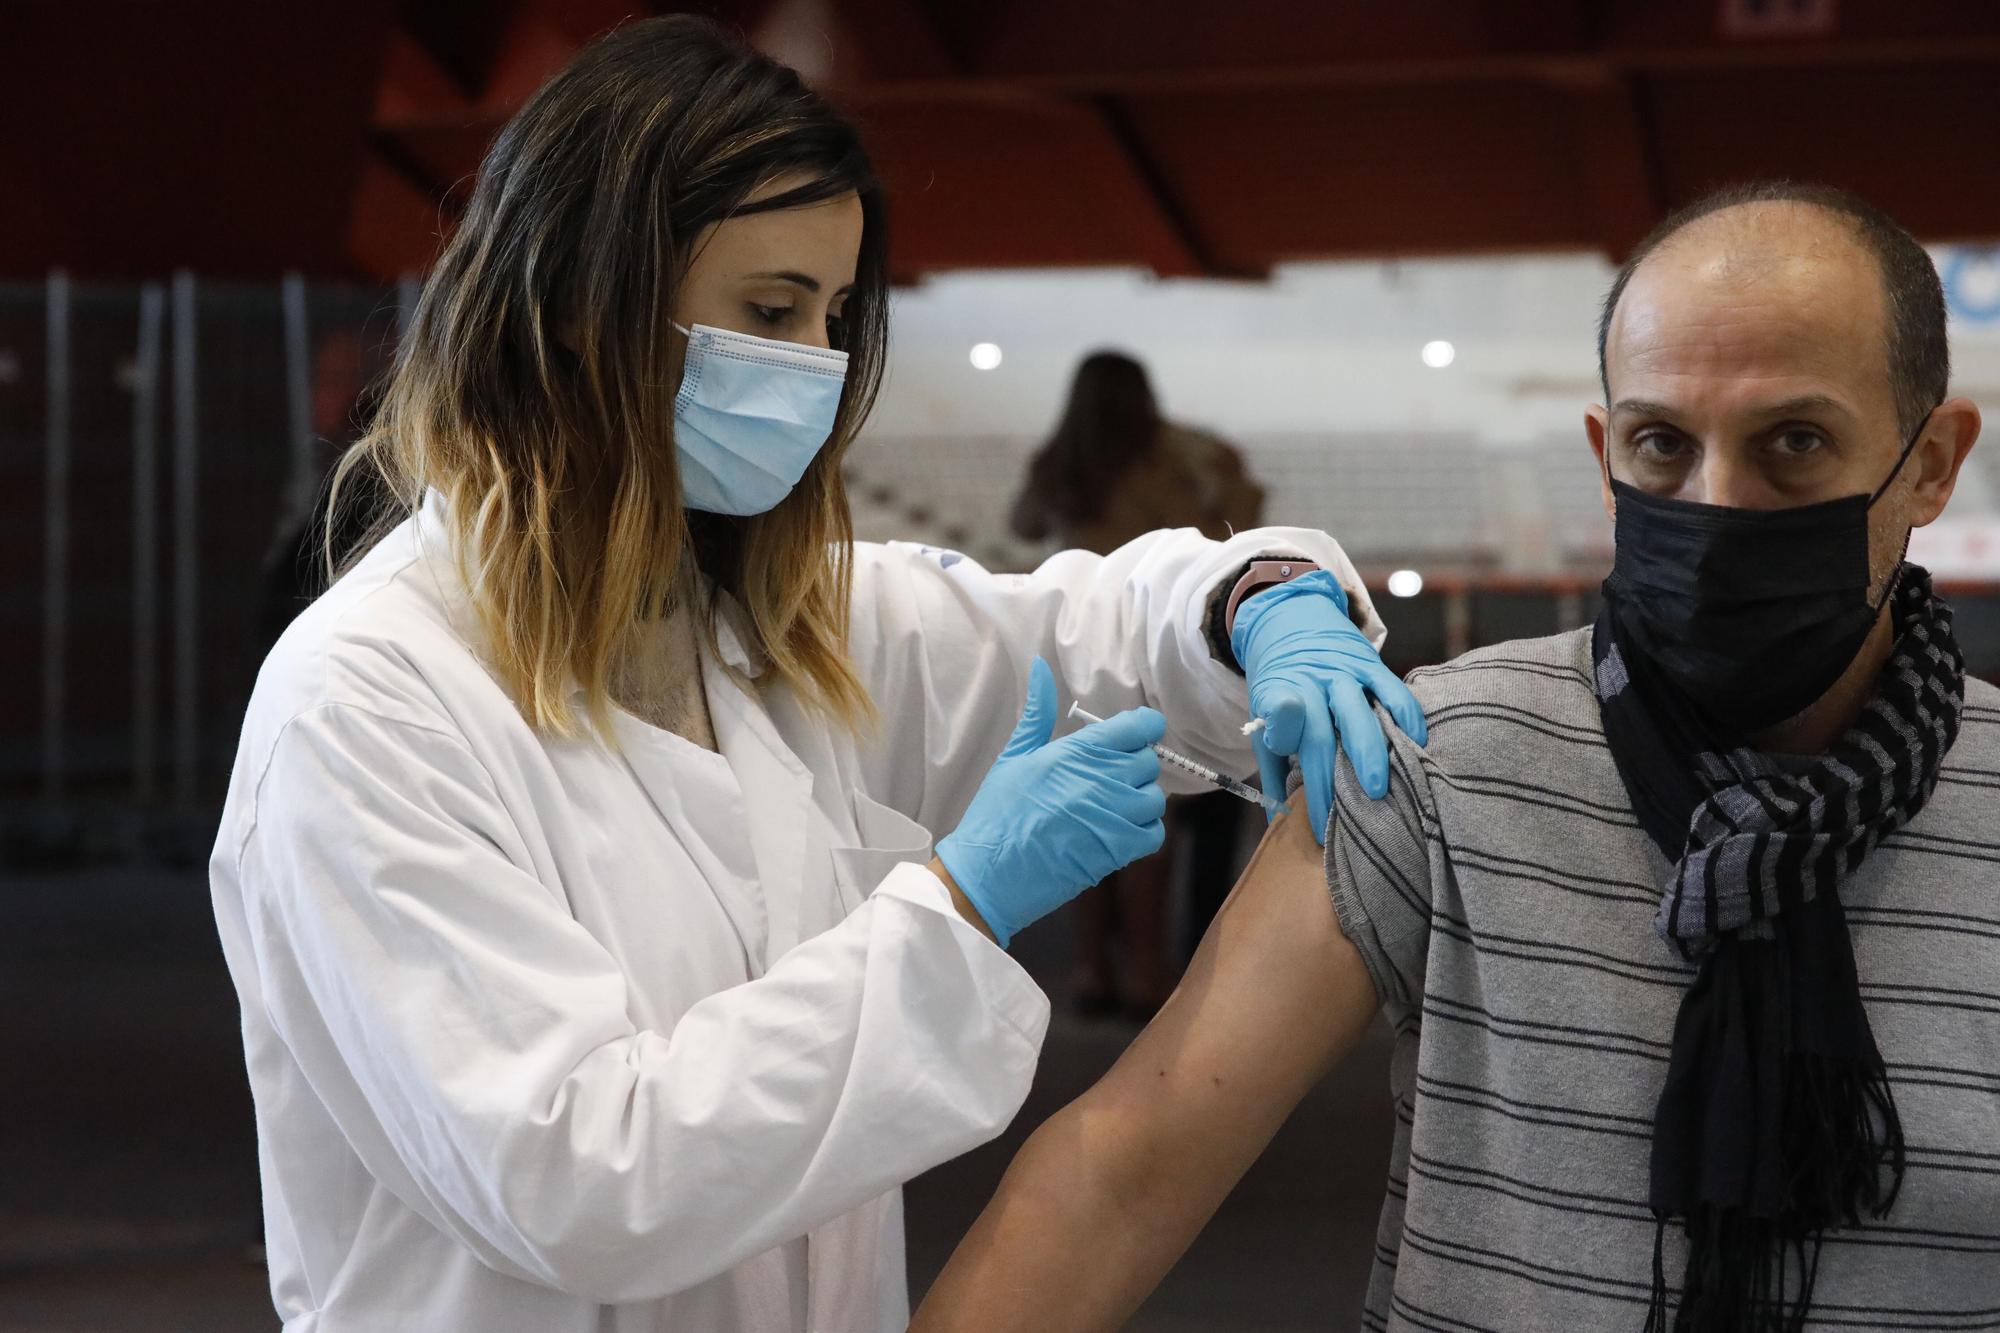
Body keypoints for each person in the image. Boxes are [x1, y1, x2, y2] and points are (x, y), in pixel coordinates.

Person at [205, 17, 1421, 1333]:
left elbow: (1091, 630)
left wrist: (1260, 601)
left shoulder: (772, 628)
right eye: (770, 312)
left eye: (836, 317)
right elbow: (580, 1178)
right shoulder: (369, 702)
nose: (817, 365)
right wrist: (958, 906)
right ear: (575, 309)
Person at [914, 182, 1999, 1332]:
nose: (1714, 501)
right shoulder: (1436, 761)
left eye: (1793, 441)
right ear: (1602, 454)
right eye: (1659, 444)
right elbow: (1119, 1174)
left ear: (1928, 462)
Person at [1010, 351, 1267, 1017]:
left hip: (1073, 643)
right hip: (1146, 644)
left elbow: (1023, 525)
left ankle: (1094, 969)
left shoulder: (1061, 457)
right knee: (1151, 815)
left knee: (1089, 807)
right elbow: (1222, 534)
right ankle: (1150, 976)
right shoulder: (1169, 456)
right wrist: (1228, 473)